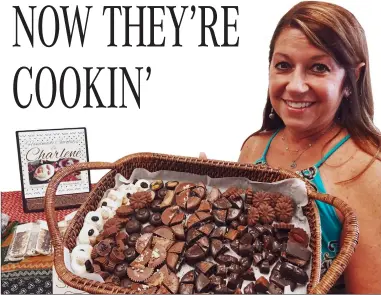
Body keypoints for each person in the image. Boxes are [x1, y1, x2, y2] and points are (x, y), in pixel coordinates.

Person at [202, 1, 381, 293]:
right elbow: (242, 254)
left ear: (352, 79)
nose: (296, 86)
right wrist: (208, 204)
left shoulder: (368, 173)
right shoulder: (254, 147)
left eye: (318, 67)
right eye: (284, 65)